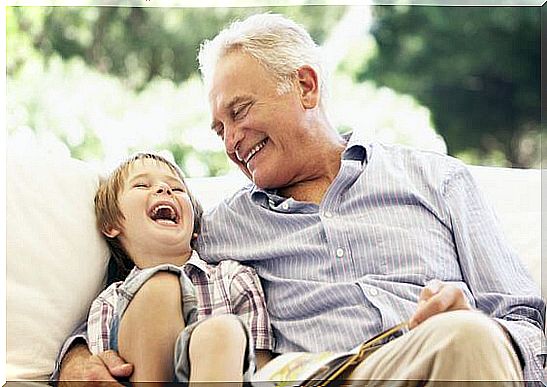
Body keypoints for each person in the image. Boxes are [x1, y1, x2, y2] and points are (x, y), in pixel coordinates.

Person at [57, 13, 546, 384]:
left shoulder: (437, 180)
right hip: (318, 375)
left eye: (240, 111)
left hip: (435, 360)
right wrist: (76, 359)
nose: (231, 142)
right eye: (219, 129)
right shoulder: (222, 228)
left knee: (468, 336)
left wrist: (483, 329)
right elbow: (135, 280)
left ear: (305, 86)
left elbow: (529, 323)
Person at [58, 152, 273, 385]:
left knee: (221, 332)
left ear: (195, 228)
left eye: (177, 189)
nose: (164, 189)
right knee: (161, 285)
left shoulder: (234, 277)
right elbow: (106, 375)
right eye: (141, 184)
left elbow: (260, 371)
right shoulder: (109, 301)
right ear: (111, 225)